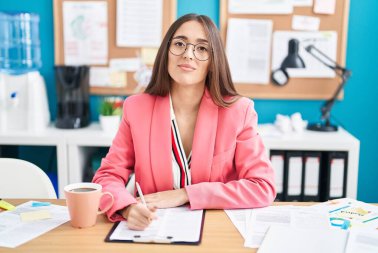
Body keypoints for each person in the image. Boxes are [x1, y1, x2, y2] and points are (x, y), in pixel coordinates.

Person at [93, 13, 276, 230]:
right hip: (152, 229)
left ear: (213, 60)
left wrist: (184, 195)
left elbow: (262, 186)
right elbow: (107, 176)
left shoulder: (238, 111)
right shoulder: (136, 108)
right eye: (180, 44)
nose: (188, 54)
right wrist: (127, 208)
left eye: (201, 48)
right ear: (166, 53)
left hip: (217, 231)